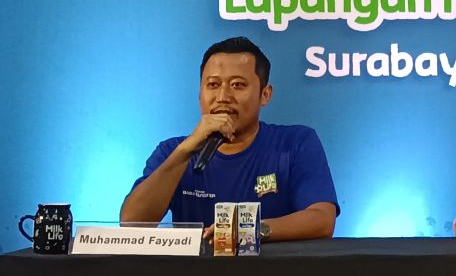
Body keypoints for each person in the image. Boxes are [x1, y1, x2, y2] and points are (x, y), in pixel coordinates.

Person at [121, 37, 339, 242]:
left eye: (237, 85)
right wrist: (184, 153)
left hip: (270, 269)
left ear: (265, 94)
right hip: (194, 270)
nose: (223, 97)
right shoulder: (172, 151)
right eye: (213, 85)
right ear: (199, 94)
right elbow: (131, 225)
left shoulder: (295, 143)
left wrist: (246, 230)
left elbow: (322, 220)